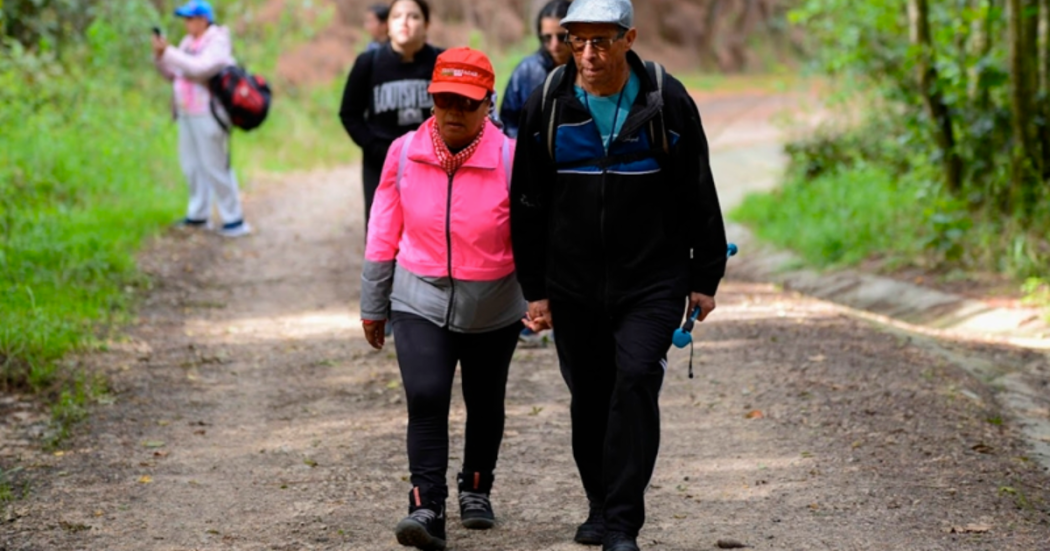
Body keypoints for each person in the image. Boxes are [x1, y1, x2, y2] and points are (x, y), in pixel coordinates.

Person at [508, 0, 728, 549]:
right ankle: (600, 504)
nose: (587, 53)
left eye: (601, 41)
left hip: (652, 279)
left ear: (628, 39)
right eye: (576, 41)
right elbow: (527, 204)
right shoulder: (549, 103)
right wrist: (534, 290)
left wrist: (706, 275)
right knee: (589, 395)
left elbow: (698, 189)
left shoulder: (665, 98)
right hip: (572, 281)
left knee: (634, 382)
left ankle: (624, 523)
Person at [360, 47, 524, 551]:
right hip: (418, 296)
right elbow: (383, 226)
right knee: (426, 397)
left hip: (493, 303)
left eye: (466, 102)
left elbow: (534, 235)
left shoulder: (511, 158)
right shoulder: (403, 153)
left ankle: (476, 487)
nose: (453, 111)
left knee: (484, 398)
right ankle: (425, 506)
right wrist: (374, 300)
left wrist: (542, 297)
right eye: (443, 99)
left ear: (488, 104)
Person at [340, 0, 441, 233]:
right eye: (397, 17)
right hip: (381, 166)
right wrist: (375, 148)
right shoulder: (368, 63)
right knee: (382, 233)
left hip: (432, 166)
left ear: (426, 24)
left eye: (413, 16)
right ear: (387, 25)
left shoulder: (441, 62)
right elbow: (349, 113)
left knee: (431, 233)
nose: (404, 22)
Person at [153, 0, 251, 237]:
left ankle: (233, 218)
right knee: (192, 165)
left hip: (210, 113)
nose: (186, 24)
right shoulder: (188, 43)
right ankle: (198, 214)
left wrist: (170, 53)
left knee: (216, 165)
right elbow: (174, 72)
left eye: (190, 18)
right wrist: (160, 56)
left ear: (203, 19)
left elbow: (200, 68)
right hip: (186, 112)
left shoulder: (218, 41)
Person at [499, 0, 572, 139]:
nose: (554, 44)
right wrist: (522, 149)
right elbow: (508, 122)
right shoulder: (526, 70)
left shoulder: (589, 69)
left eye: (562, 37)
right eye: (547, 37)